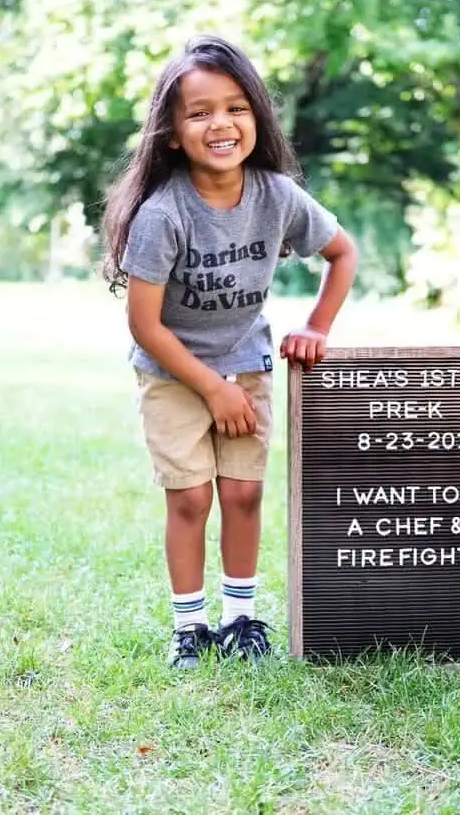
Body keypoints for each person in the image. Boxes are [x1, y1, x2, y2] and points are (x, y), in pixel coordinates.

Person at [102, 34, 358, 669]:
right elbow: (145, 325)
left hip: (247, 367)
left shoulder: (275, 195)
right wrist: (211, 389)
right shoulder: (164, 215)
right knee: (190, 497)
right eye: (200, 112)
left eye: (237, 107)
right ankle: (190, 628)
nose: (221, 123)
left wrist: (317, 327)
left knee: (243, 494)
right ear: (171, 132)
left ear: (257, 117)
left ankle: (241, 620)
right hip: (173, 374)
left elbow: (342, 253)